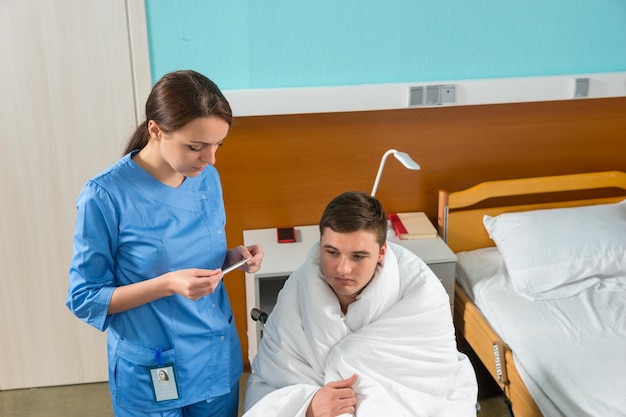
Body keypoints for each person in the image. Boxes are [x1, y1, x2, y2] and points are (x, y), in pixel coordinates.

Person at [66, 69, 264, 417]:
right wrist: (168, 285)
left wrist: (233, 256)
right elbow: (85, 298)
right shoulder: (105, 196)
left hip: (214, 357)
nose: (211, 159)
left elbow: (197, 252)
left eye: (218, 145)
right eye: (196, 146)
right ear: (156, 130)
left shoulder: (207, 178)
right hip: (151, 370)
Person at [244, 191, 477, 417]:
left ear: (381, 252)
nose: (343, 269)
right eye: (332, 252)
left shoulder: (423, 294)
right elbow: (267, 383)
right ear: (320, 245)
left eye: (358, 256)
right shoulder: (295, 291)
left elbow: (438, 390)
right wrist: (309, 407)